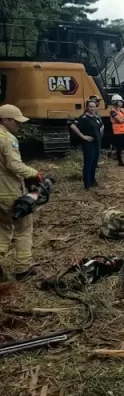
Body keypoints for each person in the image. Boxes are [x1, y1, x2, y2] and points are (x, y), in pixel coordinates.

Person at [0, 104, 45, 279]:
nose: (19, 126)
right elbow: (14, 165)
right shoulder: (7, 138)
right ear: (6, 120)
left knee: (2, 227)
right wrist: (35, 173)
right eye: (16, 122)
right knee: (24, 228)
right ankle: (23, 268)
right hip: (9, 190)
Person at [70, 100, 104, 190]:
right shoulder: (84, 118)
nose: (92, 108)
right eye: (90, 107)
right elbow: (73, 126)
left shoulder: (96, 117)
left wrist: (100, 133)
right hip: (88, 144)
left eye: (94, 106)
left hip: (96, 143)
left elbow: (101, 126)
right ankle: (87, 183)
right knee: (88, 163)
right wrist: (83, 136)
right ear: (87, 107)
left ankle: (93, 180)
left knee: (94, 163)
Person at [109, 94, 124, 166]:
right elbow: (120, 121)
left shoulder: (122, 110)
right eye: (120, 101)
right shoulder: (112, 111)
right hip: (118, 132)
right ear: (116, 102)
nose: (122, 102)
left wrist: (123, 118)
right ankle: (120, 162)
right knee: (119, 148)